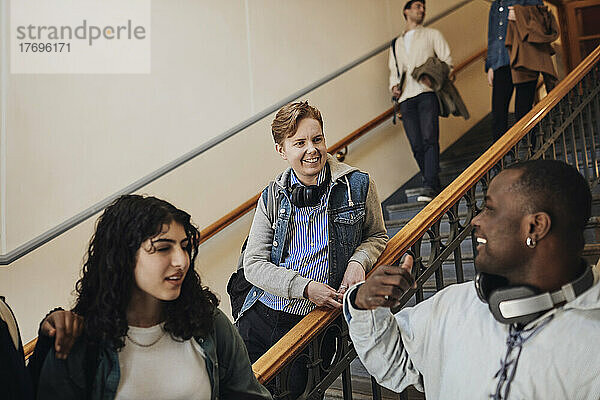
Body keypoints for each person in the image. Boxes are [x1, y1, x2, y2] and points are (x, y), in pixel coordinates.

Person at [344, 159, 600, 399]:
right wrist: (366, 303)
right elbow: (394, 366)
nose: (476, 220)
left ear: (535, 227)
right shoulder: (452, 303)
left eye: (490, 209)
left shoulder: (591, 345)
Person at [32, 195, 271, 400]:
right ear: (123, 257)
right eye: (163, 248)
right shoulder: (79, 341)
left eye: (185, 246)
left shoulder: (207, 322)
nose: (181, 261)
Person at [237, 101, 387, 397]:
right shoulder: (271, 197)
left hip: (310, 325)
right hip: (260, 316)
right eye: (300, 143)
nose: (312, 150)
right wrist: (304, 288)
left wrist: (359, 261)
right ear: (282, 150)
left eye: (317, 139)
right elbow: (253, 264)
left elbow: (378, 236)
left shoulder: (358, 185)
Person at [389, 0, 452, 202]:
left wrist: (433, 79)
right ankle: (432, 182)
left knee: (429, 138)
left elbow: (447, 62)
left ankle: (429, 184)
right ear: (406, 11)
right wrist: (393, 86)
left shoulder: (433, 35)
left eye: (423, 7)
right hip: (406, 98)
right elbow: (393, 71)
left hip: (427, 93)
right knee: (416, 144)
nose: (422, 10)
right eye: (417, 6)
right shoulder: (395, 43)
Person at [486, 0, 543, 143]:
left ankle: (531, 155)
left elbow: (542, 20)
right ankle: (501, 162)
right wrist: (491, 65)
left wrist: (520, 15)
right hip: (501, 64)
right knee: (498, 115)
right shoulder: (495, 5)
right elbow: (493, 37)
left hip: (524, 60)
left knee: (523, 112)